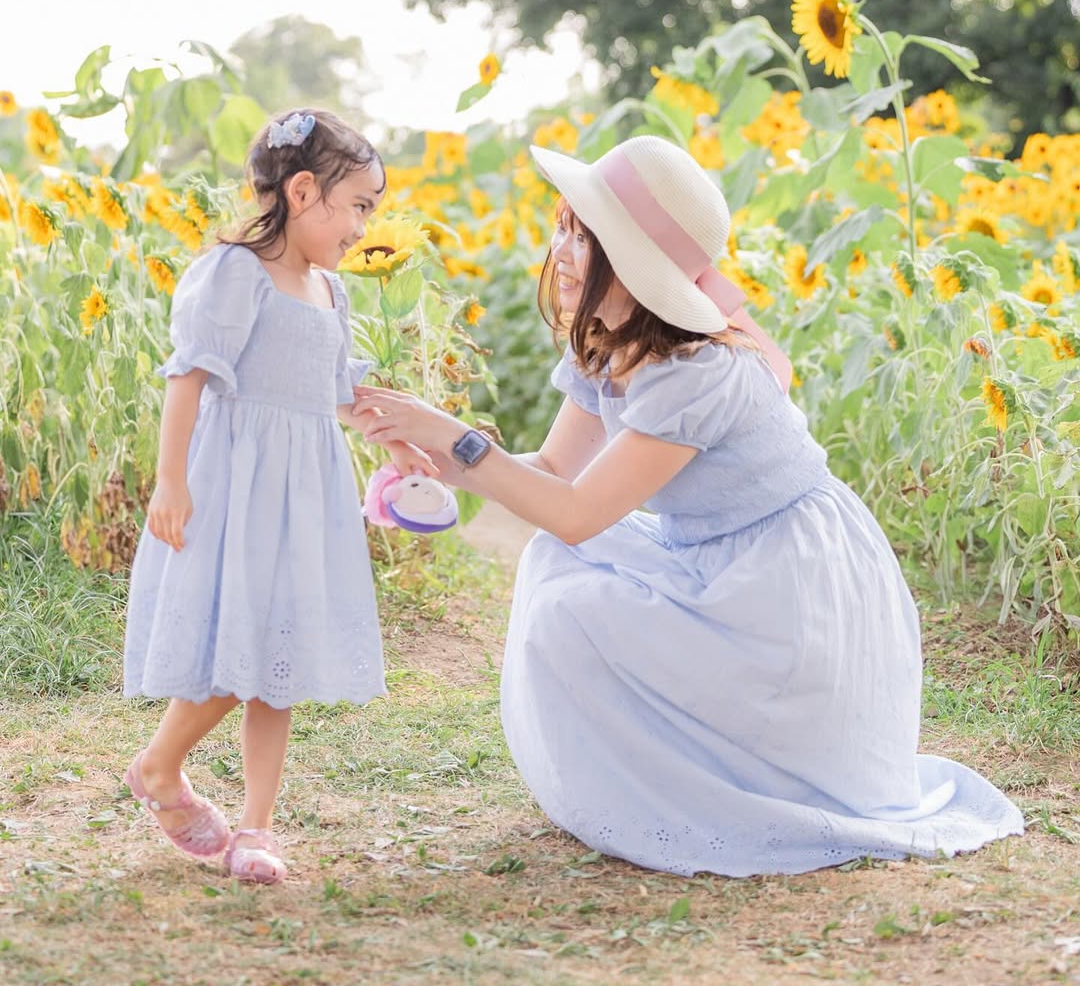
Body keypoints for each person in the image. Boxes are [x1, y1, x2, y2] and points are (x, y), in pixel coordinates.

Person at [356, 134, 1024, 877]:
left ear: (634, 264)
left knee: (569, 598)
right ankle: (660, 775)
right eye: (565, 229)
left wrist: (453, 437)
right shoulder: (609, 346)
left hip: (791, 589)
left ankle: (703, 781)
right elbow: (548, 471)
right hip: (719, 562)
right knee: (559, 566)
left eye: (587, 237)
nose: (563, 251)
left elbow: (577, 510)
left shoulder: (701, 372)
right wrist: (431, 457)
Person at [123, 108, 432, 884]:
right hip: (238, 481)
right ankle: (160, 767)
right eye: (359, 206)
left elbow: (342, 391)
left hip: (306, 489)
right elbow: (189, 373)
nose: (365, 226)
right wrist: (171, 480)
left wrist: (396, 444)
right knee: (245, 641)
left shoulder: (331, 291)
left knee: (279, 655)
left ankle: (258, 826)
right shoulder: (236, 272)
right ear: (302, 191)